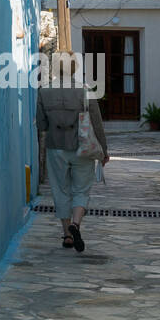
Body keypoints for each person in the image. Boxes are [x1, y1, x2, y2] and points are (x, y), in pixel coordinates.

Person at [36, 59, 109, 252]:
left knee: (61, 190)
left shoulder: (44, 91)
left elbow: (41, 124)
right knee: (81, 190)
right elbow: (97, 123)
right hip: (82, 147)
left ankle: (67, 235)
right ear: (74, 68)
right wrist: (104, 150)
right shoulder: (85, 90)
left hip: (56, 147)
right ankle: (75, 224)